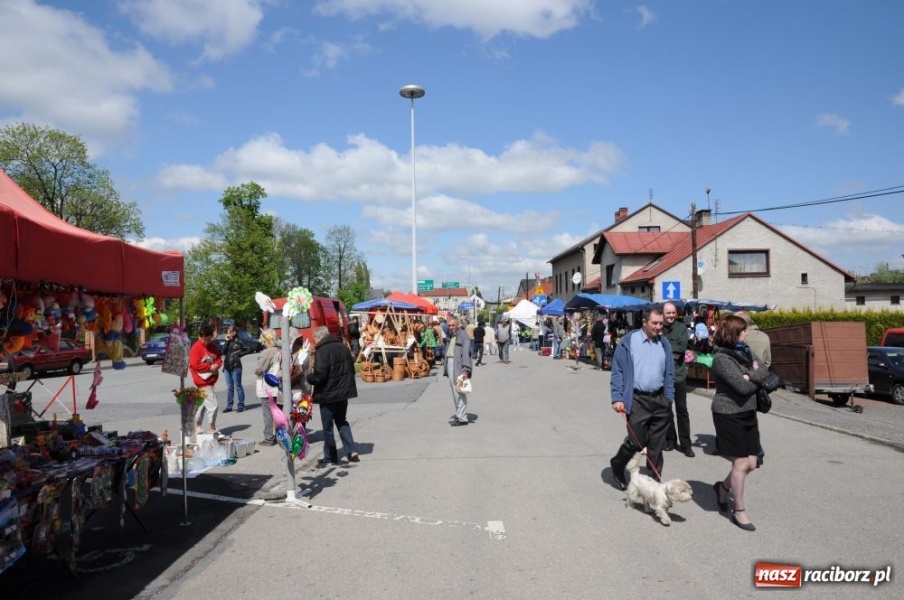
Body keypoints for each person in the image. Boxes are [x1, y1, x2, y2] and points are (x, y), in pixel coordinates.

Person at [710, 314, 771, 532]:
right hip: (728, 413)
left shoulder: (744, 352)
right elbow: (742, 387)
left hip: (747, 412)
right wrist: (752, 376)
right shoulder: (722, 359)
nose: (747, 333)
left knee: (753, 463)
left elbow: (764, 369)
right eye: (744, 330)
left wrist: (751, 376)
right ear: (734, 333)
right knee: (741, 464)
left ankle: (723, 488)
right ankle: (739, 510)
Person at [608, 306, 675, 489]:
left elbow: (670, 373)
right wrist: (617, 397)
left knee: (656, 444)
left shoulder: (664, 343)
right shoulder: (629, 342)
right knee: (636, 441)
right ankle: (618, 464)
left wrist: (669, 397)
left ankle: (654, 485)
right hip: (637, 400)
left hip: (660, 400)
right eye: (654, 323)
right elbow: (618, 371)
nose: (658, 327)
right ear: (644, 322)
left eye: (661, 323)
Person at [306, 326, 360, 467]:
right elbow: (351, 370)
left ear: (319, 337)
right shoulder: (343, 347)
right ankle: (352, 450)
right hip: (343, 393)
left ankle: (330, 456)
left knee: (328, 427)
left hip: (328, 394)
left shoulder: (322, 351)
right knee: (342, 421)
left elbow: (320, 376)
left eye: (315, 339)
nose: (315, 342)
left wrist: (309, 377)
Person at [662, 302, 693, 457]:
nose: (671, 315)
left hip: (678, 375)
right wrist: (671, 349)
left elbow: (681, 349)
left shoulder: (681, 328)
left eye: (673, 312)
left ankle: (686, 445)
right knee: (666, 410)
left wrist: (665, 347)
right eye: (668, 313)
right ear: (663, 314)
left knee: (682, 410)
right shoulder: (658, 327)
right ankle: (670, 440)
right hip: (662, 378)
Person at [190, 324, 223, 436]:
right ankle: (212, 429)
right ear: (200, 337)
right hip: (203, 382)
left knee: (201, 405)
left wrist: (216, 365)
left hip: (209, 380)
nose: (206, 342)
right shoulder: (196, 348)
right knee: (213, 405)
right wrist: (210, 367)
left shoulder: (212, 346)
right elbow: (195, 365)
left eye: (208, 339)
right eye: (204, 340)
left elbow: (218, 359)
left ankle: (198, 428)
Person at [253, 331, 280, 446]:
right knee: (276, 411)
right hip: (275, 384)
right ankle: (279, 435)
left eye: (263, 340)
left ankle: (269, 437)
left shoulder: (267, 352)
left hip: (266, 386)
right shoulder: (278, 350)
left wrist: (257, 369)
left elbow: (259, 370)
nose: (262, 342)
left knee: (268, 413)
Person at [446, 316, 473, 426]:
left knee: (459, 392)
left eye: (453, 325)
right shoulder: (452, 335)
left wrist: (465, 370)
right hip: (451, 364)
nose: (451, 327)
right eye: (449, 325)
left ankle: (462, 418)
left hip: (458, 366)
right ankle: (459, 415)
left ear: (458, 325)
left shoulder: (463, 335)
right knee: (455, 392)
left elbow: (466, 354)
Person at [222, 325, 252, 413]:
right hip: (227, 366)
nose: (228, 334)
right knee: (229, 387)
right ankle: (229, 406)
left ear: (234, 332)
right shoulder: (228, 341)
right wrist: (226, 342)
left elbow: (249, 348)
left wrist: (239, 354)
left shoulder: (238, 341)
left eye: (229, 332)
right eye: (227, 332)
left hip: (236, 366)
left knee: (238, 386)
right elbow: (223, 352)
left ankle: (241, 405)